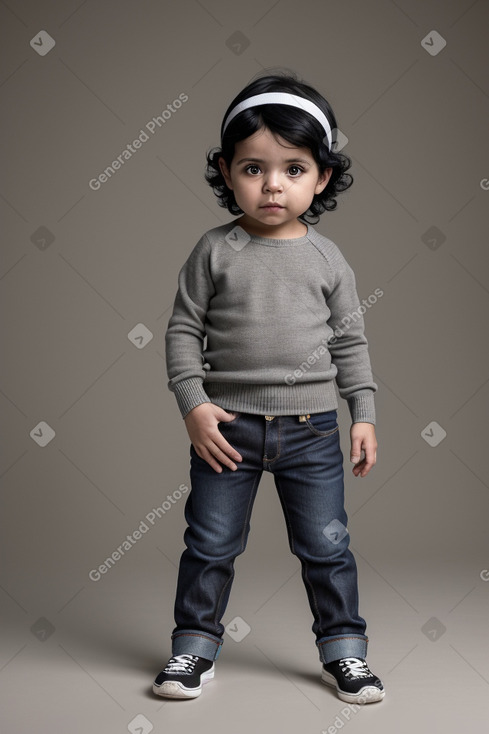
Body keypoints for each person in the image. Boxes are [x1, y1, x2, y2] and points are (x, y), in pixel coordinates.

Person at [153, 71, 385, 704]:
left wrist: (362, 413)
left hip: (311, 431)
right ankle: (191, 649)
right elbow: (180, 333)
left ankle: (345, 651)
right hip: (226, 428)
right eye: (254, 168)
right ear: (227, 173)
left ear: (323, 177)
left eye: (294, 168)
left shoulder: (328, 260)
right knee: (209, 543)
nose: (273, 184)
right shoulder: (213, 251)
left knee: (326, 545)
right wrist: (194, 406)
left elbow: (350, 344)